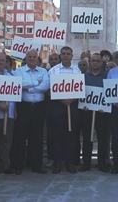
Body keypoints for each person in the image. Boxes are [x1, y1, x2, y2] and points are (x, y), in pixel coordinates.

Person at [11, 49, 50, 175]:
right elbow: (19, 84)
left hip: (39, 107)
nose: (32, 59)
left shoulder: (44, 71)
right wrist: (35, 84)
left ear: (37, 59)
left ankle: (36, 165)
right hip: (23, 107)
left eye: (34, 57)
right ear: (25, 58)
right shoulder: (18, 71)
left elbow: (45, 86)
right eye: (30, 57)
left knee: (37, 138)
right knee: (20, 137)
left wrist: (30, 89)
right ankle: (18, 165)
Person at [47, 46, 80, 174]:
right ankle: (57, 162)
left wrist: (72, 99)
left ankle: (70, 163)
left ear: (72, 56)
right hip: (57, 106)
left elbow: (80, 89)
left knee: (71, 135)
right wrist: (61, 99)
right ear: (60, 56)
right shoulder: (53, 71)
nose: (66, 56)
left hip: (72, 106)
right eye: (63, 54)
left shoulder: (77, 71)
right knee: (57, 135)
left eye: (68, 54)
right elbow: (49, 89)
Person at [78, 52, 110, 172]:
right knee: (87, 138)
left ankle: (102, 163)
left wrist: (105, 106)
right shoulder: (84, 77)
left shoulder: (107, 77)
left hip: (102, 112)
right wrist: (83, 104)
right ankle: (86, 163)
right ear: (90, 63)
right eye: (93, 61)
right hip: (87, 112)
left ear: (101, 63)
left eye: (98, 61)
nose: (95, 63)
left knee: (102, 138)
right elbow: (80, 93)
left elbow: (110, 93)